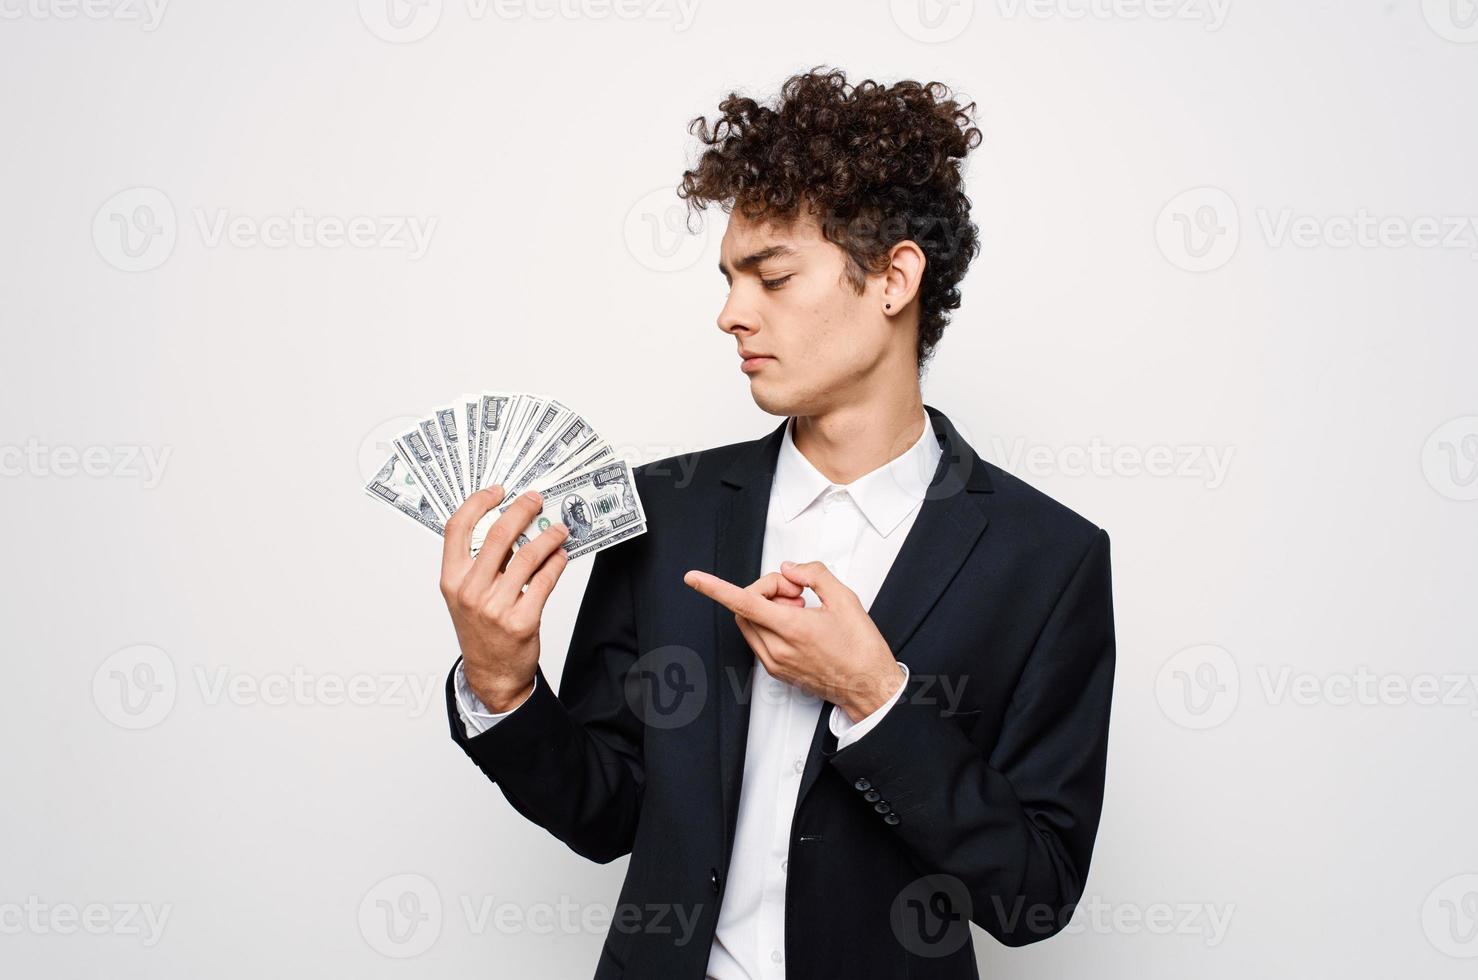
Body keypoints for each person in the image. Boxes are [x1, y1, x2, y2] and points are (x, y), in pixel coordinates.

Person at [437, 66, 1116, 979]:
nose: (729, 314)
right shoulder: (665, 510)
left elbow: (1034, 891)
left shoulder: (1049, 561)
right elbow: (608, 816)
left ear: (893, 279)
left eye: (773, 277)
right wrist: (503, 687)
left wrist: (875, 698)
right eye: (727, 279)